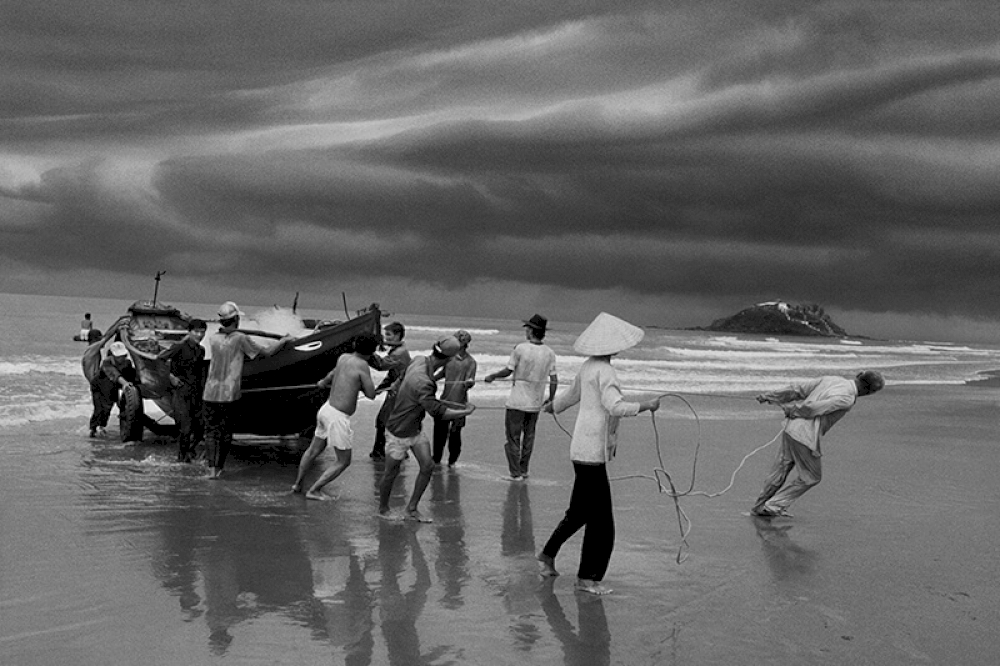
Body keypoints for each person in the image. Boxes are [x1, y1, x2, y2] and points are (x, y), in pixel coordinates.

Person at [537, 312, 660, 595]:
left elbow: (570, 397)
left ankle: (547, 555)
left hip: (580, 448)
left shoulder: (588, 366)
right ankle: (587, 578)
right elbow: (615, 406)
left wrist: (553, 406)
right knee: (601, 522)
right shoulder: (606, 371)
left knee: (579, 512)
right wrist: (646, 405)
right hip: (592, 452)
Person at [750, 370, 885, 518]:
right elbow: (814, 408)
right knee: (811, 476)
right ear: (869, 391)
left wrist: (770, 396)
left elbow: (797, 389)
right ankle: (773, 505)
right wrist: (793, 409)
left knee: (781, 469)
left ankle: (760, 506)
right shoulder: (847, 398)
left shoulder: (832, 379)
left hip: (791, 428)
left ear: (859, 376)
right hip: (804, 434)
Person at [378, 336, 475, 522]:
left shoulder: (419, 359)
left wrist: (396, 387)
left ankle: (411, 509)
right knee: (391, 472)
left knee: (428, 465)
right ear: (449, 359)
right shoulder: (424, 383)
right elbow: (439, 413)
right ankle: (383, 509)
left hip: (415, 429)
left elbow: (402, 375)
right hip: (398, 432)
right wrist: (465, 411)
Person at [202, 302, 291, 479]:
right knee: (225, 432)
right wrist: (284, 341)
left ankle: (211, 469)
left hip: (210, 392)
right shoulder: (240, 339)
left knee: (211, 432)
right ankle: (219, 468)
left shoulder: (213, 338)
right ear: (236, 319)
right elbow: (266, 352)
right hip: (229, 394)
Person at [292, 333, 378, 500]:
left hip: (326, 409)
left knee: (313, 451)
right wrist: (360, 384)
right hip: (337, 417)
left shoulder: (343, 357)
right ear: (372, 352)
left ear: (354, 345)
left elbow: (333, 374)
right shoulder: (362, 366)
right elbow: (372, 394)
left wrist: (323, 381)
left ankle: (298, 484)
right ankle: (314, 490)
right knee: (343, 461)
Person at [484, 314, 557, 480]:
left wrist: (493, 376)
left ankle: (515, 473)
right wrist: (551, 398)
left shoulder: (520, 348)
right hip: (535, 403)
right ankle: (524, 470)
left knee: (513, 437)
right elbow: (554, 379)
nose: (526, 331)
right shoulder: (550, 353)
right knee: (529, 438)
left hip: (517, 401)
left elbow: (508, 371)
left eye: (528, 329)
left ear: (531, 331)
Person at [158, 319, 207, 462]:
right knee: (185, 429)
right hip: (181, 392)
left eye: (202, 332)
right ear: (189, 332)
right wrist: (170, 376)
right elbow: (160, 359)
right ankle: (182, 460)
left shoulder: (201, 350)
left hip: (196, 393)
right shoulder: (179, 347)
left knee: (200, 429)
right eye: (196, 332)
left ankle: (189, 452)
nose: (199, 335)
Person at [432, 329, 477, 466]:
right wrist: (429, 379)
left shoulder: (471, 362)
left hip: (460, 403)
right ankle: (436, 459)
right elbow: (441, 374)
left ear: (463, 344)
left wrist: (469, 383)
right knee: (440, 433)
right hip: (444, 399)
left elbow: (471, 380)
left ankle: (452, 461)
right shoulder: (448, 358)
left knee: (455, 434)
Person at [369, 322, 411, 460]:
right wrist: (380, 388)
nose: (386, 338)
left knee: (383, 422)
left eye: (389, 335)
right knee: (389, 422)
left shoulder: (399, 353)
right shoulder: (398, 350)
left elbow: (381, 365)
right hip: (397, 391)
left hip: (400, 393)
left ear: (398, 335)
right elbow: (392, 374)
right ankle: (393, 452)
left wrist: (366, 350)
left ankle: (381, 453)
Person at [88, 341, 138, 438]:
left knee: (110, 406)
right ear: (113, 355)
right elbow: (114, 374)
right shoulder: (107, 363)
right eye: (119, 356)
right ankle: (94, 429)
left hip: (113, 386)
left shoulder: (127, 363)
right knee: (100, 408)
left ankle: (102, 426)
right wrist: (125, 384)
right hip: (99, 386)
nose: (121, 358)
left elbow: (131, 375)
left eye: (123, 355)